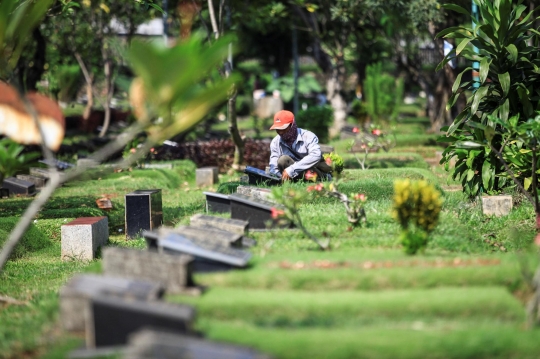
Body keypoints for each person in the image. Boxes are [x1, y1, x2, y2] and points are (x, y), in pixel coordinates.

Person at [268, 110, 332, 182]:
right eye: (278, 129)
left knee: (307, 171)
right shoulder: (275, 142)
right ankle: (292, 182)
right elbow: (273, 167)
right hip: (291, 175)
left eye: (283, 128)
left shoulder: (308, 136)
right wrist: (279, 178)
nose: (280, 132)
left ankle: (324, 178)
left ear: (292, 125)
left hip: (312, 171)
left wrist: (292, 169)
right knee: (283, 160)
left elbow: (316, 155)